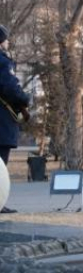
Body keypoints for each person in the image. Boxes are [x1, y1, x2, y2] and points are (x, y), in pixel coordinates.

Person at [0, 24, 30, 213]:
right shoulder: (2, 62)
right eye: (6, 39)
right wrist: (25, 100)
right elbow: (10, 87)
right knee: (0, 166)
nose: (8, 42)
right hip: (1, 121)